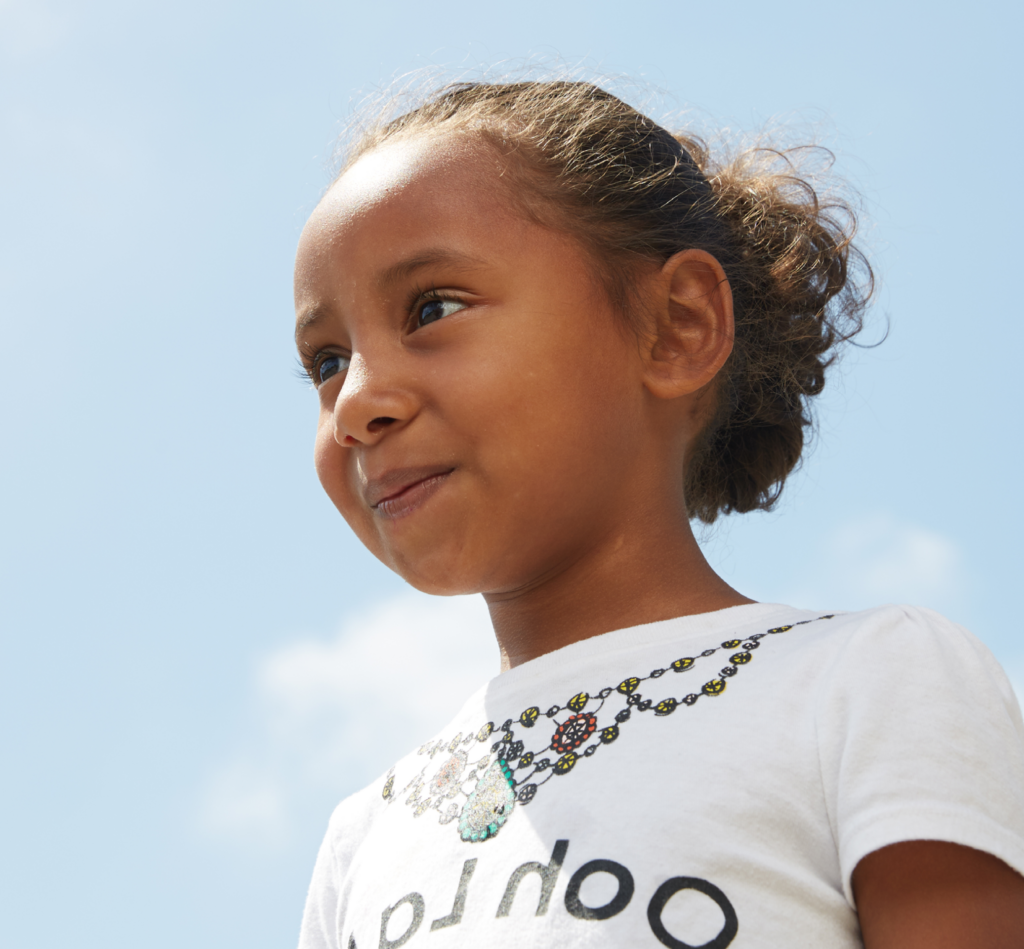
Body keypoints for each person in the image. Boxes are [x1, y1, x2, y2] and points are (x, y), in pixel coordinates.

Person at [291, 80, 1024, 949]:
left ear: (677, 326)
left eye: (433, 308)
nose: (356, 403)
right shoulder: (362, 838)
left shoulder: (870, 678)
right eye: (328, 361)